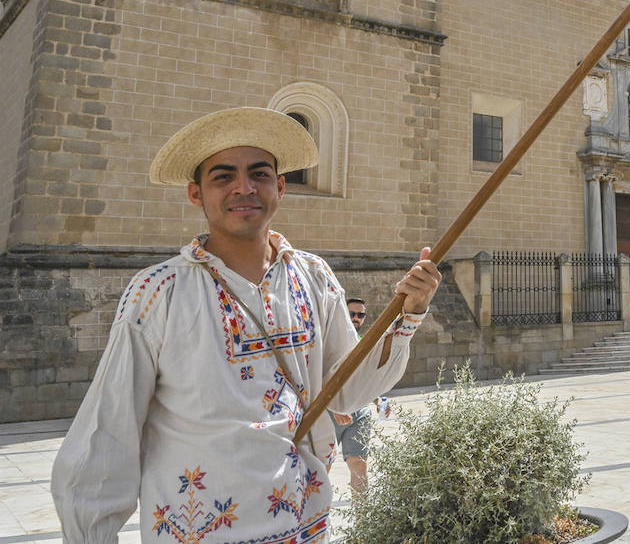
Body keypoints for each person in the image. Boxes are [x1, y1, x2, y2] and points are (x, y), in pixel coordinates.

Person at [51, 107, 442, 543]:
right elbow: (108, 432)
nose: (244, 187)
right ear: (196, 194)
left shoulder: (313, 277)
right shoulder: (158, 291)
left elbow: (347, 388)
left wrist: (409, 313)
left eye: (259, 174)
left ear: (280, 187)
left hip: (304, 526)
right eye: (223, 177)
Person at [330, 298, 376, 495]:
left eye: (360, 315)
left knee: (359, 465)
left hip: (360, 412)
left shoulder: (364, 343)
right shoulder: (331, 342)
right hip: (330, 414)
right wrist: (333, 408)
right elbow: (318, 378)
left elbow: (367, 378)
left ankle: (363, 523)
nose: (356, 318)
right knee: (322, 465)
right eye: (352, 314)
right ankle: (314, 522)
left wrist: (380, 399)